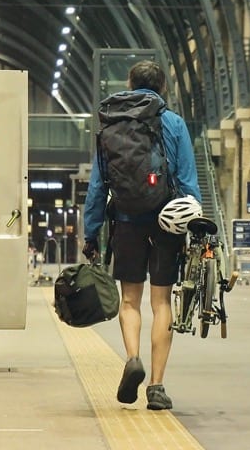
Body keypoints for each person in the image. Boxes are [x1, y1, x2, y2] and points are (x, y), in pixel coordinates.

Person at [82, 60, 201, 411]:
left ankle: (132, 358)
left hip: (127, 221)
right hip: (167, 223)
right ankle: (157, 386)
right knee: (161, 302)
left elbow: (96, 187)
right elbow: (188, 180)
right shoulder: (174, 123)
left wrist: (91, 233)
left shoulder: (111, 127)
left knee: (130, 300)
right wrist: (193, 221)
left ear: (130, 84)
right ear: (162, 87)